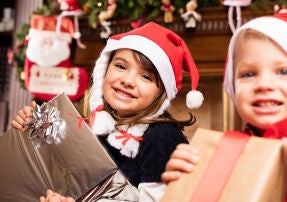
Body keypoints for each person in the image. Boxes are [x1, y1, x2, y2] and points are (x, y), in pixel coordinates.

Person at [161, 12, 287, 202]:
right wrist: (182, 184)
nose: (264, 84)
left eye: (283, 71)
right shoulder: (219, 152)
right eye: (249, 74)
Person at [11, 22, 204, 202]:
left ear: (160, 93)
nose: (128, 80)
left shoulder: (161, 136)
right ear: (104, 70)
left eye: (145, 76)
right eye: (121, 66)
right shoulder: (95, 128)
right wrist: (31, 126)